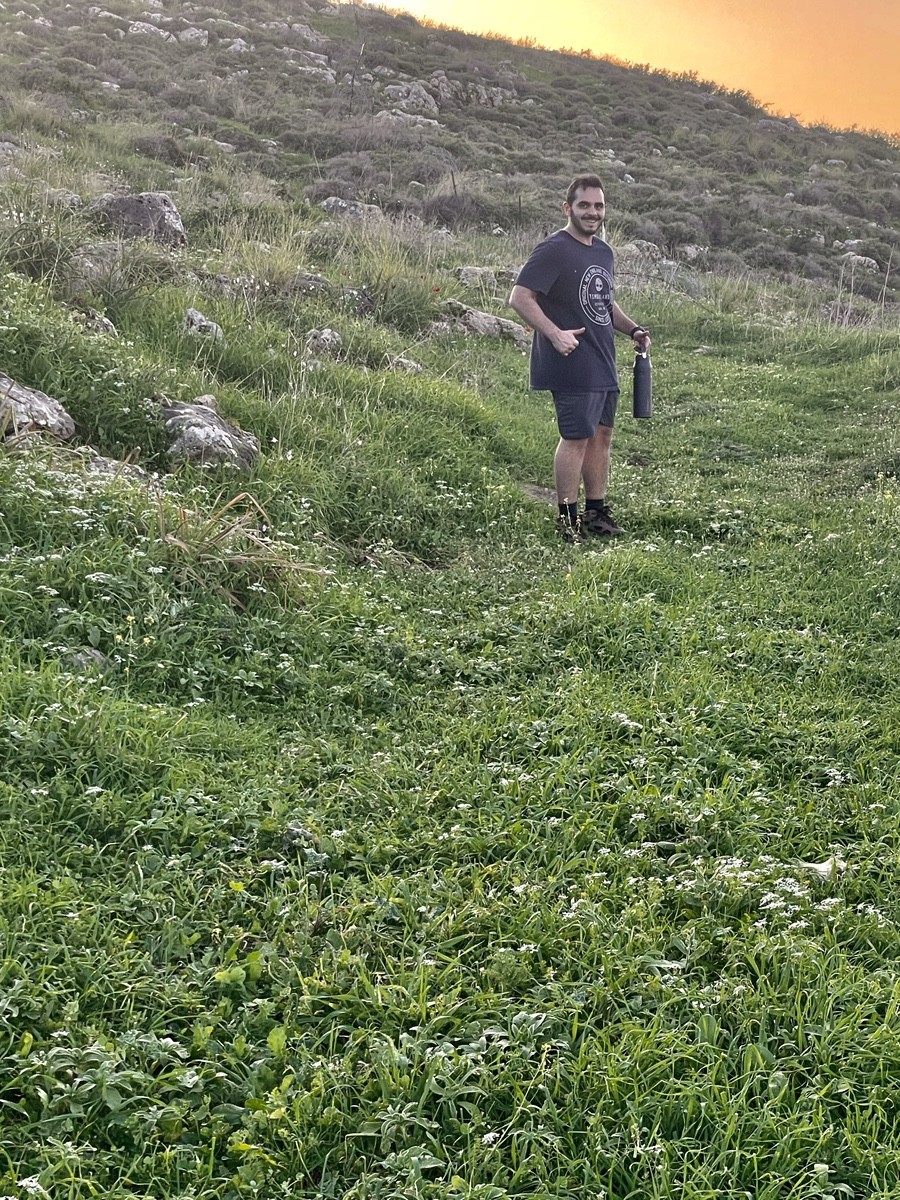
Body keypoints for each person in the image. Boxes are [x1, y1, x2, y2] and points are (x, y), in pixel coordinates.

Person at [509, 173, 651, 542]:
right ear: (567, 208)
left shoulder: (603, 252)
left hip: (602, 359)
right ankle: (567, 520)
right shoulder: (554, 249)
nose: (592, 212)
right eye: (584, 205)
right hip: (571, 360)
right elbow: (520, 297)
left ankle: (596, 513)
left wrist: (633, 330)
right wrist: (554, 333)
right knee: (575, 437)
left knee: (601, 436)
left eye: (598, 206)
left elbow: (605, 302)